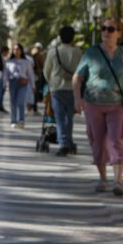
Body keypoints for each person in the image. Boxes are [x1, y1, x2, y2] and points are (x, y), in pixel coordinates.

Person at [73, 17, 123, 197]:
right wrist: (77, 99)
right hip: (93, 104)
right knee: (97, 142)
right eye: (103, 28)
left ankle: (118, 182)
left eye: (110, 29)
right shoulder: (91, 53)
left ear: (119, 33)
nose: (106, 32)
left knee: (116, 140)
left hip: (116, 104)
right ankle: (103, 178)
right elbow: (77, 77)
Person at [43, 26, 83, 156]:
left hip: (57, 88)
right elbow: (82, 70)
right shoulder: (77, 52)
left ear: (60, 37)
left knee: (59, 118)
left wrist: (50, 82)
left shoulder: (53, 52)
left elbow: (46, 71)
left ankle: (64, 144)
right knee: (68, 118)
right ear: (73, 37)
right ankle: (68, 142)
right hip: (72, 88)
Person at [4, 43, 35, 129]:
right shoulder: (9, 62)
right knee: (13, 102)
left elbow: (30, 74)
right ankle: (13, 121)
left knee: (21, 102)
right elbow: (6, 74)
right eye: (14, 49)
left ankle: (21, 120)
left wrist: (33, 85)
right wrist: (4, 84)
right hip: (12, 82)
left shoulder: (26, 62)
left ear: (21, 50)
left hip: (23, 82)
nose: (16, 51)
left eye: (18, 49)